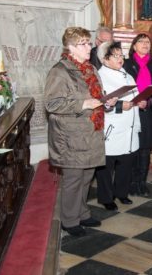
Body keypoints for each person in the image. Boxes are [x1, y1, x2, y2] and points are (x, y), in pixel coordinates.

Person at [45, 27, 117, 237]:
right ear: (70, 47)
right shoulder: (60, 71)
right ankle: (68, 219)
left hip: (91, 132)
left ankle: (82, 213)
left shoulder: (90, 69)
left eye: (88, 43)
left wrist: (107, 101)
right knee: (74, 178)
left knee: (87, 176)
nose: (89, 47)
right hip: (71, 136)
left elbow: (97, 96)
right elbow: (52, 103)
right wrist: (83, 103)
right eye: (84, 44)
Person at [96, 42, 146, 211]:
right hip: (112, 127)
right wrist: (119, 106)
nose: (120, 59)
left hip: (129, 126)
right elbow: (99, 102)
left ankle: (121, 193)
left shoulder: (127, 75)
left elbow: (135, 95)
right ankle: (106, 197)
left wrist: (140, 102)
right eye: (115, 56)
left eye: (121, 55)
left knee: (126, 162)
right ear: (104, 60)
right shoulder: (100, 77)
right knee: (106, 165)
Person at [123, 33, 152, 196]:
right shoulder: (126, 64)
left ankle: (142, 182)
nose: (145, 44)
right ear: (134, 45)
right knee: (133, 148)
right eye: (141, 41)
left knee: (145, 148)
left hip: (149, 110)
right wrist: (135, 100)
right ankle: (132, 182)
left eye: (147, 42)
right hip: (131, 109)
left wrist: (150, 97)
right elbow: (122, 87)